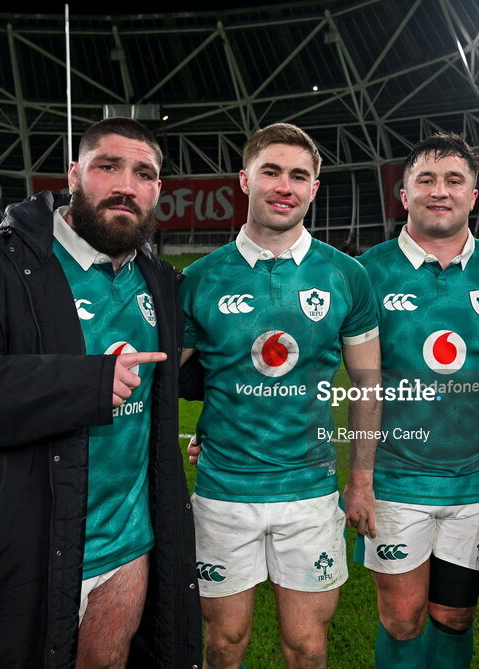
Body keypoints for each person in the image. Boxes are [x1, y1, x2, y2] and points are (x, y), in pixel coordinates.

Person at [0, 117, 201, 668]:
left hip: (127, 544)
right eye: (108, 166)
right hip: (18, 548)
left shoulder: (159, 281)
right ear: (73, 175)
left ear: (158, 191)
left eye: (144, 173)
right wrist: (80, 382)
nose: (125, 185)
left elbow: (200, 370)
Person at [178, 122, 381, 669]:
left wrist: (359, 480)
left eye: (299, 175)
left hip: (310, 493)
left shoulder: (347, 276)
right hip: (223, 493)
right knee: (223, 644)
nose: (284, 185)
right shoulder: (198, 279)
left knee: (307, 645)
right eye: (271, 171)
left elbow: (367, 384)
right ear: (245, 180)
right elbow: (161, 385)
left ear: (314, 188)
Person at [355, 133, 479, 668]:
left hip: (477, 483)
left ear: (474, 196)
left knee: (455, 616)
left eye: (454, 180)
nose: (440, 191)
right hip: (395, 481)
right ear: (403, 194)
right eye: (425, 180)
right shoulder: (365, 273)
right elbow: (312, 365)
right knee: (403, 617)